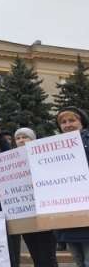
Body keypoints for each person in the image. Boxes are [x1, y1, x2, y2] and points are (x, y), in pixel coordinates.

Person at [0, 127, 58, 267]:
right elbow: (7, 152)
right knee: (36, 256)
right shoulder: (15, 160)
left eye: (24, 137)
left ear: (33, 139)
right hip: (25, 216)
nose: (21, 140)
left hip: (44, 213)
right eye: (18, 138)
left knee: (47, 257)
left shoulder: (43, 156)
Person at [56, 107, 89, 267]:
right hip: (68, 213)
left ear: (81, 122)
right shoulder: (54, 147)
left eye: (72, 120)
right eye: (63, 122)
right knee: (78, 259)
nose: (67, 124)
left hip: (86, 209)